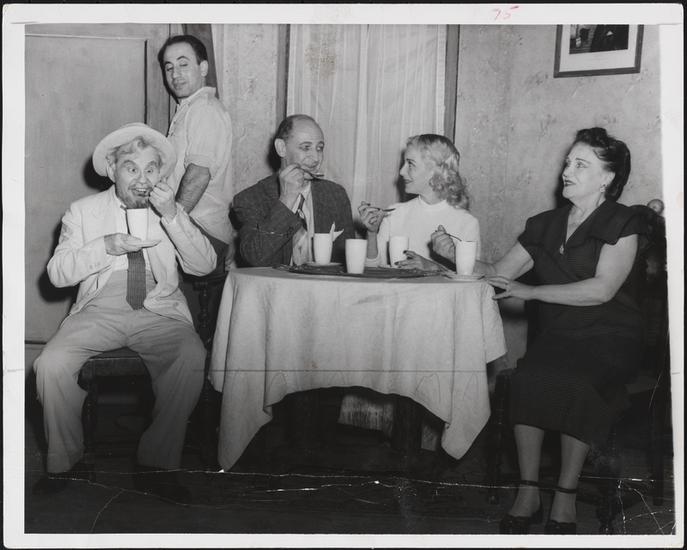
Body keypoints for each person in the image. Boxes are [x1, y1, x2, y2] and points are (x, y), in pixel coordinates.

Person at [432, 127, 648, 534]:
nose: (567, 171)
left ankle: (565, 495)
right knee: (528, 379)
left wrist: (529, 291)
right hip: (560, 335)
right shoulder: (544, 224)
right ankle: (528, 492)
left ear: (607, 178)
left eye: (580, 164)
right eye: (568, 162)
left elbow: (602, 290)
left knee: (577, 383)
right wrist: (450, 255)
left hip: (611, 336)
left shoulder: (624, 222)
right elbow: (499, 272)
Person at [32, 123, 217, 503]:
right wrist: (105, 245)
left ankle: (157, 464)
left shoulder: (170, 210)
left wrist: (173, 215)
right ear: (112, 169)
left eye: (151, 169)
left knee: (191, 355)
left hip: (158, 307)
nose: (142, 179)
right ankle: (67, 461)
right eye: (131, 168)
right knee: (50, 364)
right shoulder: (83, 212)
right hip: (99, 308)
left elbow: (204, 266)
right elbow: (57, 273)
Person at [232, 114, 355, 266]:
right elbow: (255, 257)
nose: (316, 158)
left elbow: (348, 261)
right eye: (306, 147)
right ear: (281, 148)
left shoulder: (336, 195)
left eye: (319, 148)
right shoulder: (250, 199)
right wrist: (286, 200)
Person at [159, 34, 235, 270]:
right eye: (169, 67)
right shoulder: (189, 108)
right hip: (194, 227)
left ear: (203, 68)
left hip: (201, 230)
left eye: (183, 64)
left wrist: (173, 226)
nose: (175, 74)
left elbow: (198, 175)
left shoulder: (204, 109)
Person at [358, 134, 480, 270]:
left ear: (435, 171)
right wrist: (372, 233)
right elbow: (372, 268)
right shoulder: (395, 213)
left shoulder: (467, 223)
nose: (401, 171)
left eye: (410, 164)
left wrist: (433, 267)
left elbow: (470, 277)